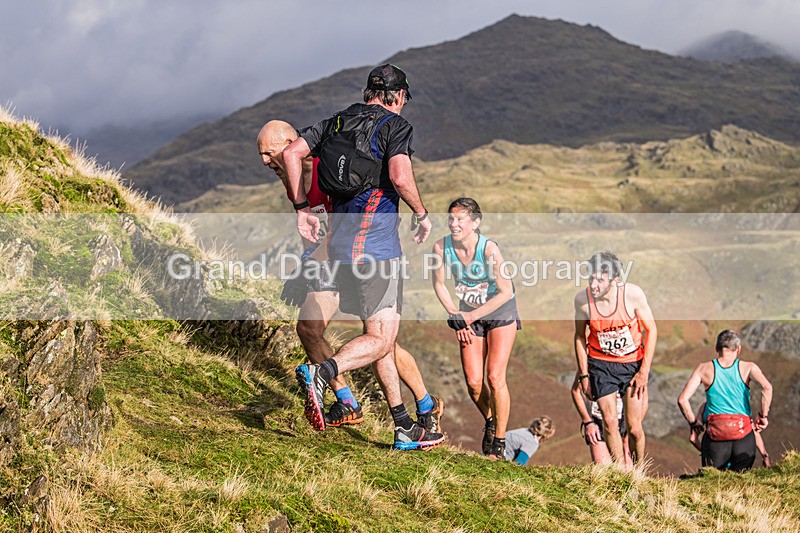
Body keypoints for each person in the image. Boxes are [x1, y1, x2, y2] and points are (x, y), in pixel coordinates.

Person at [283, 64, 444, 450]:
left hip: (339, 249)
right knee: (381, 337)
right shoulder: (395, 126)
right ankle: (323, 373)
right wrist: (422, 215)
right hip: (376, 249)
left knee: (379, 338)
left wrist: (301, 206)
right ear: (400, 95)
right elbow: (401, 177)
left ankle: (403, 426)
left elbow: (292, 153)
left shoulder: (336, 121)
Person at [431, 197, 520, 460]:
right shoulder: (441, 247)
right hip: (468, 314)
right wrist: (455, 313)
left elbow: (506, 292)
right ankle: (491, 420)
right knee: (473, 383)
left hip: (501, 313)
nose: (454, 224)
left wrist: (468, 318)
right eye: (451, 218)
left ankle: (500, 444)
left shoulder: (489, 249)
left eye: (460, 219)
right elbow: (439, 284)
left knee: (494, 377)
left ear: (475, 222)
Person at [574, 251, 657, 466]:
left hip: (631, 364)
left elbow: (651, 330)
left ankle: (639, 469)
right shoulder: (582, 301)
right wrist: (584, 374)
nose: (593, 284)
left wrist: (644, 371)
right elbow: (579, 336)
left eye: (600, 280)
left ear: (615, 281)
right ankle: (620, 472)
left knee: (634, 428)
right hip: (601, 365)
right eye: (591, 278)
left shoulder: (633, 295)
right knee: (609, 421)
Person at [678, 329, 773, 472]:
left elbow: (682, 400)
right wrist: (762, 416)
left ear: (717, 348)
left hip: (715, 441)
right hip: (744, 438)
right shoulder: (748, 367)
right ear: (738, 349)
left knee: (715, 485)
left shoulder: (703, 369)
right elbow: (767, 387)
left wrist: (694, 423)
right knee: (740, 483)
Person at [570, 372, 633, 468]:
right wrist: (588, 422)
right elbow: (576, 391)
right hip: (599, 423)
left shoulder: (629, 364)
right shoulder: (590, 365)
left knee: (627, 473)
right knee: (604, 471)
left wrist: (632, 429)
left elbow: (640, 399)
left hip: (623, 425)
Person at [688, 402, 772, 467]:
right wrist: (765, 456)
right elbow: (752, 431)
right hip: (741, 448)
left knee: (715, 483)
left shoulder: (705, 407)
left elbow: (693, 438)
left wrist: (705, 452)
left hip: (715, 450)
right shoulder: (737, 405)